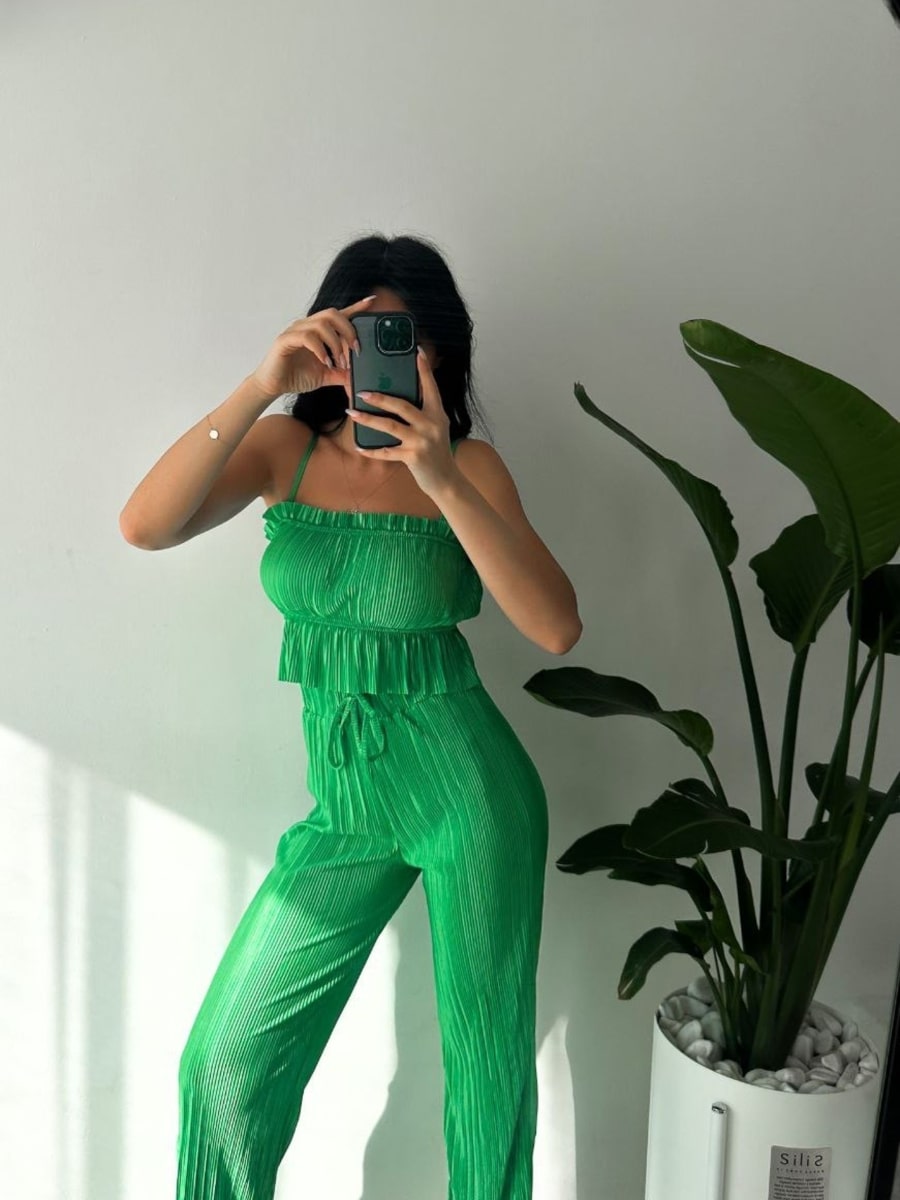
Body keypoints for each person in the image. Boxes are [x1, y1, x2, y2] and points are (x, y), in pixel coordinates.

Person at [119, 233, 582, 1200]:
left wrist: (440, 474)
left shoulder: (471, 467)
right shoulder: (283, 452)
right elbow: (144, 526)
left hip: (471, 797)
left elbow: (554, 627)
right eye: (359, 335)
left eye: (402, 339)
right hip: (348, 810)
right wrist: (261, 384)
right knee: (224, 1063)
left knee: (485, 1073)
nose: (379, 359)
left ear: (440, 352)